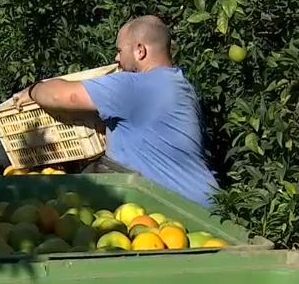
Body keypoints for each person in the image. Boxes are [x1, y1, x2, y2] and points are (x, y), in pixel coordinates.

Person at [11, 15, 219, 207]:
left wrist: (33, 89)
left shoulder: (135, 86)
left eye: (120, 50)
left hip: (180, 210)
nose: (116, 59)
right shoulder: (180, 86)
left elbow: (62, 96)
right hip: (203, 203)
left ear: (140, 50)